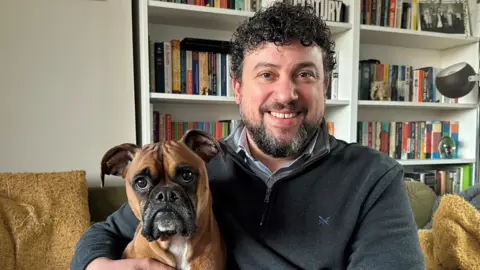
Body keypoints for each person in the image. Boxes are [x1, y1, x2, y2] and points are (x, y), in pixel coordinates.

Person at [70, 2, 425, 270]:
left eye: (304, 74)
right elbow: (106, 232)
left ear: (325, 86)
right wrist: (95, 265)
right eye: (267, 75)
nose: (286, 94)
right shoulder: (198, 167)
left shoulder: (373, 176)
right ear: (238, 89)